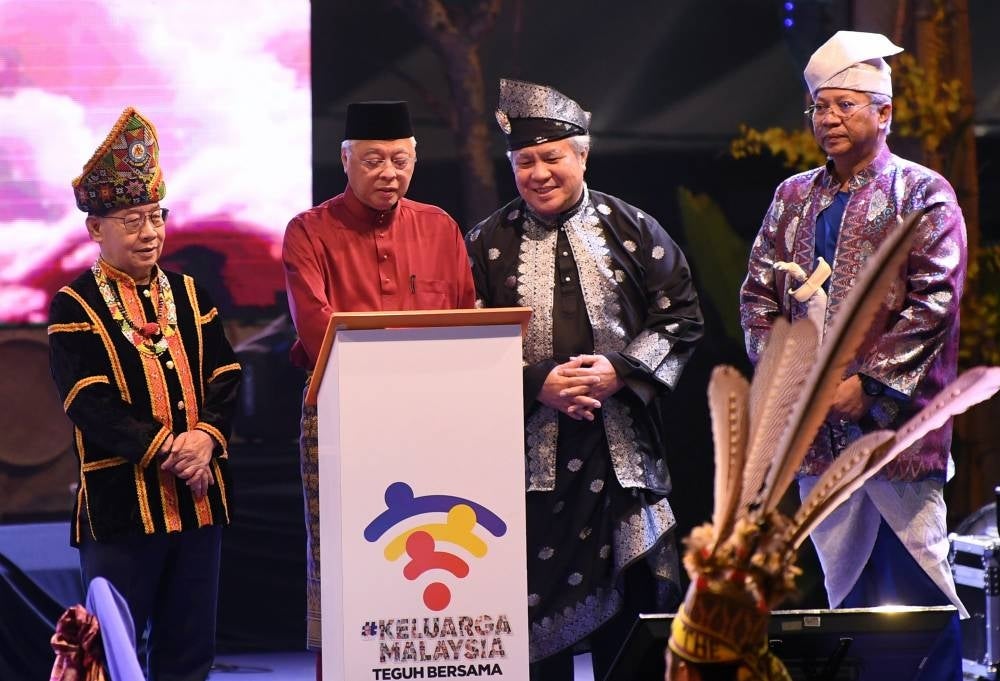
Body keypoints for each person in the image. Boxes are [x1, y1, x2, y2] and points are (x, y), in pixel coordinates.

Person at [739, 30, 968, 678]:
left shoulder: (922, 193)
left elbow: (934, 302)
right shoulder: (792, 197)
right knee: (845, 602)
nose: (828, 119)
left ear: (883, 112)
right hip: (817, 438)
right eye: (819, 107)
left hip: (896, 434)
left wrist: (866, 384)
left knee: (917, 590)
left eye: (844, 105)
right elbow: (758, 296)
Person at [466, 78, 704, 681]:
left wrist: (620, 371)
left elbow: (682, 317)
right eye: (525, 162)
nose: (539, 173)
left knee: (635, 632)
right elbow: (462, 348)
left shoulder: (634, 230)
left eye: (552, 158)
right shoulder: (485, 245)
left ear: (583, 156)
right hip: (527, 473)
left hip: (624, 463)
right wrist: (535, 383)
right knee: (534, 637)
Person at [281, 100, 476, 671]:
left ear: (415, 158)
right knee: (346, 565)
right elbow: (316, 330)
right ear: (345, 160)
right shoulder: (308, 232)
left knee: (442, 554)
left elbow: (467, 320)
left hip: (436, 424)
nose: (388, 173)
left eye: (399, 159)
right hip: (344, 420)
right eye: (372, 161)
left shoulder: (440, 227)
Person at [49, 106, 241, 680]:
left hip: (199, 504)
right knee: (113, 655)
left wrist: (206, 438)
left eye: (156, 217)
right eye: (132, 221)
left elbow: (226, 373)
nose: (149, 232)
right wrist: (172, 452)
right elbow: (89, 401)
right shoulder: (73, 306)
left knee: (188, 654)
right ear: (95, 229)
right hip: (121, 509)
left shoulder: (189, 292)